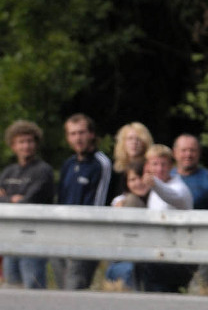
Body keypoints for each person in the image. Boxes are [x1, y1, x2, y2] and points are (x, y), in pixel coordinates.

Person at [53, 113, 112, 290]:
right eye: (73, 133)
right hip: (62, 232)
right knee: (61, 286)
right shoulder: (68, 164)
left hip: (86, 233)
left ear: (91, 134)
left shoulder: (101, 163)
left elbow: (99, 203)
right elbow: (61, 199)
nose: (77, 138)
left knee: (75, 285)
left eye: (81, 132)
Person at [134, 144, 196, 293]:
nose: (160, 169)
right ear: (148, 166)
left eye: (164, 164)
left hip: (177, 258)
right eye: (155, 164)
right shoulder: (155, 188)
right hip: (158, 255)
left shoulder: (179, 187)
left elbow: (173, 196)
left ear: (171, 166)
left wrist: (155, 184)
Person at [1, 120, 54, 288]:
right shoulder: (9, 172)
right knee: (12, 285)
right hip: (10, 237)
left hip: (34, 237)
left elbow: (29, 200)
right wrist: (12, 199)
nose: (26, 146)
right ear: (13, 146)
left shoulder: (43, 170)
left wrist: (9, 198)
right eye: (21, 142)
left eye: (30, 141)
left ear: (36, 143)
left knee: (32, 286)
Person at [172, 133, 208, 289]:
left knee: (202, 290)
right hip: (171, 242)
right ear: (175, 153)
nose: (188, 155)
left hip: (202, 244)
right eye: (184, 150)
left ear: (199, 153)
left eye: (192, 150)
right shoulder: (165, 177)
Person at [105, 161, 150, 288]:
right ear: (126, 183)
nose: (138, 183)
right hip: (125, 261)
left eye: (141, 177)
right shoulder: (128, 201)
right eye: (132, 179)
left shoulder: (156, 198)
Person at [111, 122, 153, 204]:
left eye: (138, 139)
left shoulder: (150, 167)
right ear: (123, 142)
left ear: (145, 143)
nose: (134, 142)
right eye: (130, 139)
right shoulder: (115, 168)